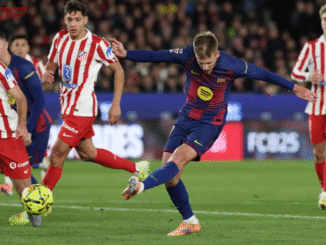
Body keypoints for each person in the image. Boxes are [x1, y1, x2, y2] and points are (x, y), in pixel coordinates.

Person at [110, 31, 317, 236]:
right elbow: (157, 56)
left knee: (178, 160)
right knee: (170, 177)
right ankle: (190, 221)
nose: (206, 67)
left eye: (209, 62)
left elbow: (262, 73)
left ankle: (141, 186)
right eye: (202, 63)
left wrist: (294, 87)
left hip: (210, 123)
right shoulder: (187, 55)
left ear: (216, 54)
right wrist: (126, 53)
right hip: (186, 117)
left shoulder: (231, 65)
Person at [40, 1, 149, 194]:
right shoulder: (59, 38)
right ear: (65, 20)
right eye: (69, 19)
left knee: (56, 155)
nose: (73, 24)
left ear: (86, 20)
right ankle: (137, 168)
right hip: (66, 106)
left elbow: (119, 71)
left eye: (77, 20)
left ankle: (38, 203)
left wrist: (116, 106)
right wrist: (46, 75)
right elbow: (50, 67)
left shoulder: (97, 44)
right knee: (88, 153)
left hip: (82, 108)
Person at [0, 31, 51, 201]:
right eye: (18, 45)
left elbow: (38, 100)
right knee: (16, 171)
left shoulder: (24, 67)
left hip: (35, 125)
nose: (20, 49)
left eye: (23, 45)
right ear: (12, 47)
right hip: (16, 125)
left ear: (5, 44)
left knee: (22, 175)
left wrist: (26, 128)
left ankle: (38, 204)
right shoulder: (4, 68)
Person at [291, 4, 326, 210]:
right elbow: (295, 72)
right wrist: (308, 76)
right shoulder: (312, 47)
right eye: (324, 20)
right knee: (319, 153)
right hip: (317, 105)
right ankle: (324, 190)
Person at [0, 59, 42, 227]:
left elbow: (20, 97)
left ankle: (34, 211)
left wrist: (22, 125)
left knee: (24, 187)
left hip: (7, 133)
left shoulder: (1, 69)